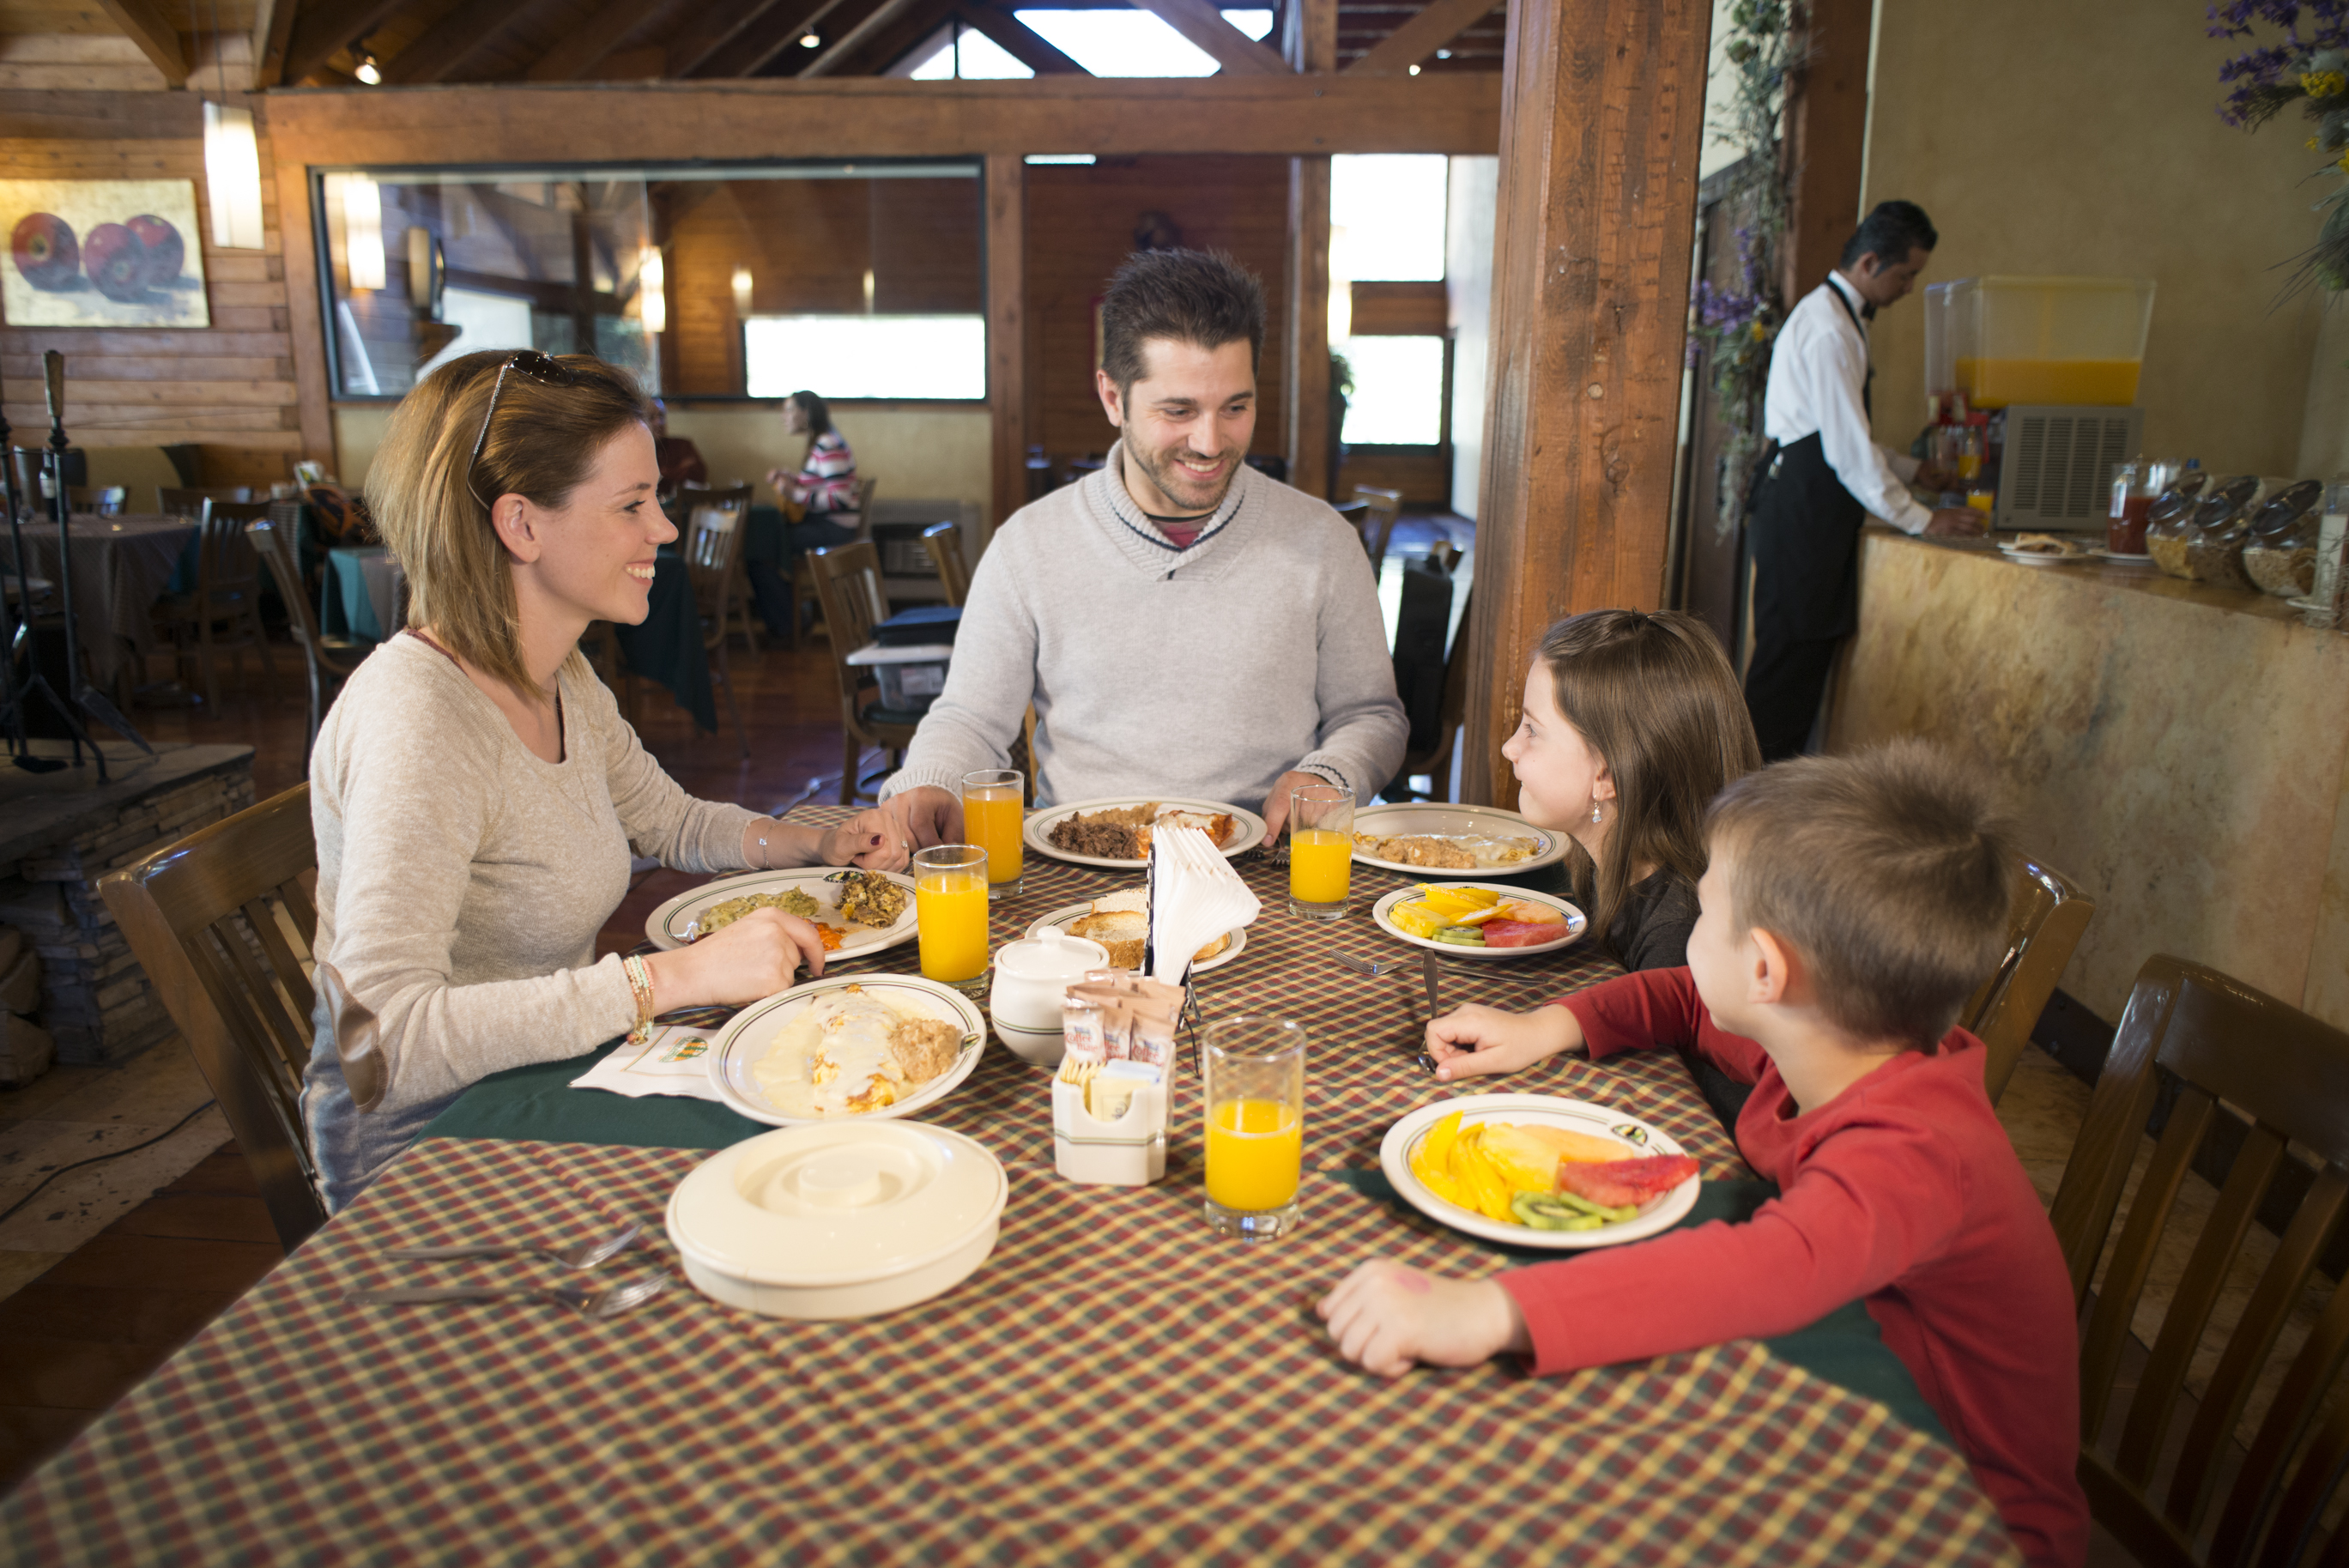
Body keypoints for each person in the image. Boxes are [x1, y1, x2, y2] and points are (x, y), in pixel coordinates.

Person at [1319, 742, 2087, 1568]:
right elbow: (1688, 1002)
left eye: (1706, 911)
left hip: (1956, 1505)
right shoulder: (1830, 1036)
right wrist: (1550, 1026)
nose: (1690, 923)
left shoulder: (1916, 1152)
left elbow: (1765, 1268)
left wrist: (1489, 1310)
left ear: (1763, 970)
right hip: (1841, 1392)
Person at [303, 350, 899, 1209]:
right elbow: (383, 1046)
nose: (662, 529)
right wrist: (671, 979)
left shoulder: (559, 674)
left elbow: (667, 820)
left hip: (552, 1077)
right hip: (431, 1154)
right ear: (521, 525)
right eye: (632, 505)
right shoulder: (419, 720)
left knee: (828, 1125)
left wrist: (814, 841)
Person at [871, 248, 1406, 848]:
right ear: (1111, 397)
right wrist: (930, 780)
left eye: (1236, 407)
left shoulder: (1322, 539)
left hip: (1263, 864)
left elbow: (1371, 715)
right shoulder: (1029, 544)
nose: (1209, 442)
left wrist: (1329, 774)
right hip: (1076, 866)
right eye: (1177, 410)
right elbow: (970, 716)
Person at [1745, 201, 1982, 763]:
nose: (1906, 289)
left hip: (1805, 512)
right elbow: (1845, 451)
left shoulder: (1836, 318)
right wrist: (1924, 519)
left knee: (1793, 680)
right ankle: (1733, 824)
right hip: (1799, 518)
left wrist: (1908, 468)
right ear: (1871, 262)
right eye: (1905, 276)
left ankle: (1749, 816)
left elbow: (1837, 434)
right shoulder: (1829, 328)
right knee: (1782, 682)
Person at [1493, 608, 1759, 978]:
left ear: (1607, 775)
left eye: (1532, 730)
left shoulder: (1677, 938)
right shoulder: (1595, 869)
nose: (1510, 747)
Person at [748, 390, 862, 635]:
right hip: (827, 524)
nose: (783, 417)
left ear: (806, 413)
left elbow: (839, 499)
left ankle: (791, 623)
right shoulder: (822, 441)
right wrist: (792, 480)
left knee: (763, 547)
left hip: (834, 528)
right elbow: (821, 484)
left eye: (789, 410)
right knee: (765, 545)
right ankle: (792, 620)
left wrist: (794, 493)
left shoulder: (826, 444)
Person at [648, 397, 706, 501]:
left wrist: (665, 473)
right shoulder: (636, 453)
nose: (659, 422)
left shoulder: (682, 445)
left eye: (661, 416)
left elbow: (700, 476)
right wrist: (678, 470)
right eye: (651, 417)